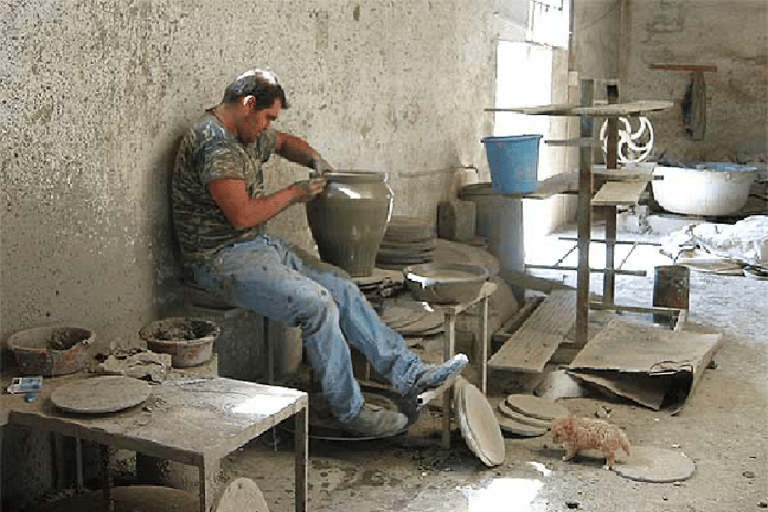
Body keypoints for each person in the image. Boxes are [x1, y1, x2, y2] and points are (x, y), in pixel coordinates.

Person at [171, 68, 468, 437]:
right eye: (267, 118)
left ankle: (408, 373)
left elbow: (283, 143)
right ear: (247, 105)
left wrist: (316, 161)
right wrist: (294, 194)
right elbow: (241, 216)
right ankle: (350, 412)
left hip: (256, 246)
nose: (268, 128)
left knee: (340, 285)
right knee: (318, 304)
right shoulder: (214, 145)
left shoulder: (245, 133)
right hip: (218, 259)